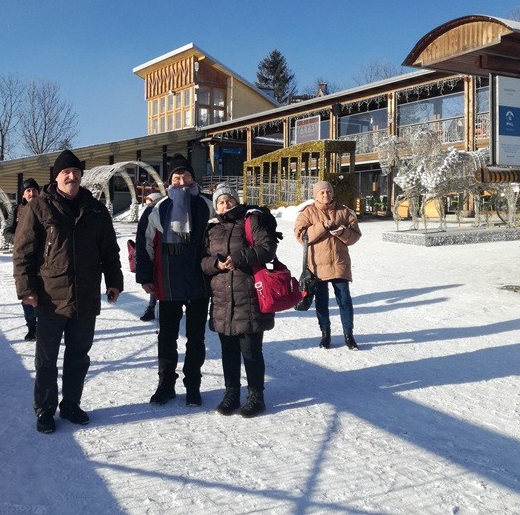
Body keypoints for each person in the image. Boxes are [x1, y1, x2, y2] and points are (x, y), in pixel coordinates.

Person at [13, 150, 123, 434]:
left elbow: (109, 251)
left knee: (78, 356)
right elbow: (23, 253)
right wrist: (26, 289)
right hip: (50, 296)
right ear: (56, 177)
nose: (71, 176)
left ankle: (71, 404)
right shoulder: (38, 207)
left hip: (86, 295)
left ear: (81, 176)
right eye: (65, 172)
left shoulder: (96, 210)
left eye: (75, 172)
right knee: (46, 359)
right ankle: (45, 409)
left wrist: (114, 280)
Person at [136, 154, 213, 407]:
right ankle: (165, 384)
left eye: (186, 176)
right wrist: (146, 276)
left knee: (196, 338)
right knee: (166, 337)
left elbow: (227, 228)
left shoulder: (206, 205)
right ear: (170, 181)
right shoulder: (158, 208)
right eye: (176, 177)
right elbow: (144, 243)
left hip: (199, 280)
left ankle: (193, 385)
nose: (181, 181)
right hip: (167, 281)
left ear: (193, 178)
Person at [201, 184, 276, 418]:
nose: (226, 205)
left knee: (251, 351)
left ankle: (256, 396)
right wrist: (215, 265)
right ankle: (231, 393)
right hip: (223, 298)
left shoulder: (251, 220)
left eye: (229, 200)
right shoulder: (212, 230)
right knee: (228, 351)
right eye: (221, 202)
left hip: (250, 296)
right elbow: (202, 261)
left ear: (236, 200)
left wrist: (238, 258)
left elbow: (267, 249)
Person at [294, 180, 362, 350]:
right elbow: (301, 236)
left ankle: (349, 336)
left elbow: (355, 236)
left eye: (329, 191)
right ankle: (325, 335)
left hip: (340, 264)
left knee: (345, 300)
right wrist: (322, 226)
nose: (326, 195)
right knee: (322, 302)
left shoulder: (344, 211)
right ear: (315, 195)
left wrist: (342, 232)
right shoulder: (308, 212)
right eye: (322, 193)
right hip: (318, 266)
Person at [2, 177, 41, 340]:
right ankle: (31, 326)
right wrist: (20, 239)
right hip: (23, 258)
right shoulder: (17, 210)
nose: (31, 193)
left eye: (34, 190)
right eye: (28, 190)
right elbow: (7, 232)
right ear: (23, 195)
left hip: (43, 258)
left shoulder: (45, 207)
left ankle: (44, 325)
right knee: (26, 290)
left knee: (45, 292)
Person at [136, 191, 163, 322]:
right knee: (154, 283)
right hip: (153, 258)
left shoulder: (161, 215)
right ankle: (152, 307)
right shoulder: (149, 216)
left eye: (150, 204)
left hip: (161, 259)